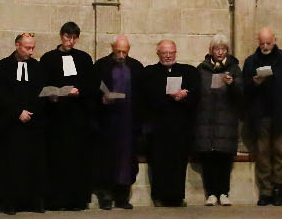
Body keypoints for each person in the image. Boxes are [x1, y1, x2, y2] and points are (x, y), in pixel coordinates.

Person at [39, 21, 96, 210]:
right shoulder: (48, 59)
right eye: (67, 37)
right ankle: (56, 200)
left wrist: (80, 91)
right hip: (57, 117)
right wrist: (54, 95)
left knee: (77, 159)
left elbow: (92, 84)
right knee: (58, 158)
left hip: (78, 116)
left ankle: (77, 199)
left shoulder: (84, 59)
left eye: (73, 38)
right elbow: (43, 84)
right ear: (61, 36)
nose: (70, 42)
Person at [243, 28, 282, 206]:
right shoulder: (251, 61)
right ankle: (265, 191)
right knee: (262, 154)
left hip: (281, 113)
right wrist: (255, 83)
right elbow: (244, 89)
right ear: (258, 42)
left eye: (269, 43)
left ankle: (278, 190)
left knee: (279, 153)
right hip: (260, 115)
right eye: (263, 43)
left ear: (275, 40)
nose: (266, 46)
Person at [0, 33, 46, 214]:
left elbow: (40, 91)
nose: (30, 52)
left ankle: (32, 201)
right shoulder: (3, 66)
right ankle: (10, 202)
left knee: (32, 164)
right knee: (11, 164)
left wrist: (31, 112)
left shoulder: (37, 67)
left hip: (32, 123)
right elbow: (0, 93)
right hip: (10, 124)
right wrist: (17, 112)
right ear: (17, 45)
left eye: (32, 48)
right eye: (27, 48)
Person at [142, 40, 200, 206]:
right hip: (159, 127)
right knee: (159, 162)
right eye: (164, 52)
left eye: (170, 52)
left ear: (176, 52)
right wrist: (167, 96)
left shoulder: (187, 71)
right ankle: (159, 197)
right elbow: (148, 97)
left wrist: (185, 93)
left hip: (180, 126)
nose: (168, 55)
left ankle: (177, 197)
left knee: (178, 163)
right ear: (158, 54)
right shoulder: (150, 72)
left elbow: (195, 92)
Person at [92, 35, 146, 209]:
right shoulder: (101, 66)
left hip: (129, 122)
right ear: (112, 48)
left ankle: (122, 197)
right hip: (107, 122)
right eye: (118, 52)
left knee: (126, 160)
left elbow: (141, 95)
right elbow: (92, 91)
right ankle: (106, 195)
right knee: (107, 158)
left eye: (124, 52)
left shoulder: (136, 67)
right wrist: (102, 99)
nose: (121, 55)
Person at [192, 36, 242, 205]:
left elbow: (242, 94)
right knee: (209, 159)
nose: (220, 52)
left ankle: (224, 192)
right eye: (217, 49)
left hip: (226, 120)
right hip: (206, 120)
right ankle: (211, 193)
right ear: (211, 51)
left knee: (224, 158)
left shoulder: (234, 69)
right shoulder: (202, 69)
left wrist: (232, 84)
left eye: (223, 49)